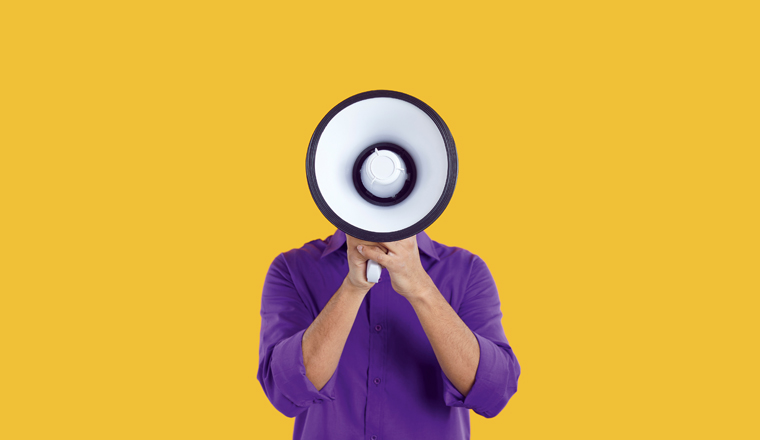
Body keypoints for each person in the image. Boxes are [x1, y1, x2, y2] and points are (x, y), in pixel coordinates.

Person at [257, 228, 520, 440]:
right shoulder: (292, 268)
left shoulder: (467, 271)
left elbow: (493, 393)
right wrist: (352, 287)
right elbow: (287, 392)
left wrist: (421, 287)